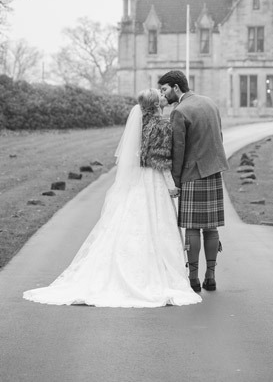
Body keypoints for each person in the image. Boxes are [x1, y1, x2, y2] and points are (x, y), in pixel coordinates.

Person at [23, 89, 201, 308]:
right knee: (156, 223)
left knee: (129, 220)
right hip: (153, 180)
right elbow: (161, 159)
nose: (164, 99)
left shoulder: (137, 125)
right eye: (160, 97)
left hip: (137, 181)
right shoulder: (162, 127)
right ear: (156, 106)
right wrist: (172, 185)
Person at [158, 71, 229, 293]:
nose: (164, 94)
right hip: (214, 171)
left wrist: (176, 181)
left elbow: (178, 151)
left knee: (192, 228)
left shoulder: (179, 111)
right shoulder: (210, 103)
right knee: (211, 227)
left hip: (192, 175)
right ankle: (211, 277)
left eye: (165, 89)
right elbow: (219, 135)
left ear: (177, 88)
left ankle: (193, 279)